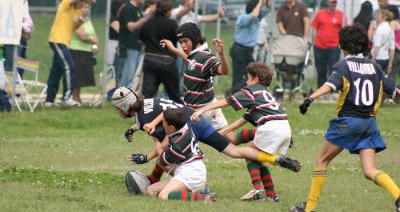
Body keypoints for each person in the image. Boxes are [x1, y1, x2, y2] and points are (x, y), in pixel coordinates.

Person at [288, 24, 400, 212]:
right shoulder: (376, 67)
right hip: (369, 123)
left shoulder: (343, 66)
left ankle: (309, 209)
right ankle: (398, 196)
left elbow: (330, 85)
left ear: (342, 45)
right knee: (369, 170)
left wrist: (309, 98)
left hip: (349, 121)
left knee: (321, 160)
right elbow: (395, 93)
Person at [111, 87, 300, 188]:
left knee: (164, 157)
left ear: (125, 106)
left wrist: (146, 157)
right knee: (233, 151)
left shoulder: (145, 119)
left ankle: (168, 184)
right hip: (197, 118)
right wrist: (134, 128)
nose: (119, 113)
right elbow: (162, 111)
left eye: (119, 109)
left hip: (186, 126)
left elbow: (162, 144)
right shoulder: (147, 104)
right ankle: (275, 159)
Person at [191, 62, 298, 201]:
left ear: (255, 79)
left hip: (270, 128)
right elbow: (245, 119)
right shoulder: (265, 94)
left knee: (246, 154)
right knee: (255, 158)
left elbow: (227, 101)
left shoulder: (252, 91)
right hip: (284, 127)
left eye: (248, 78)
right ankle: (271, 195)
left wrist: (203, 109)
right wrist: (223, 132)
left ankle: (259, 186)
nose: (246, 81)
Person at [160, 22, 229, 130]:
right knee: (230, 140)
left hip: (198, 111)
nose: (183, 45)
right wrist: (173, 49)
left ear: (195, 39)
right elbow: (190, 60)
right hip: (209, 105)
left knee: (171, 135)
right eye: (180, 42)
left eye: (185, 41)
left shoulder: (206, 57)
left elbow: (223, 71)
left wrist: (221, 54)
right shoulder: (195, 55)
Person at [146, 108, 216, 202]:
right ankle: (201, 191)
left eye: (163, 123)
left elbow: (163, 159)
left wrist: (156, 139)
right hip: (189, 170)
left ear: (171, 128)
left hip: (192, 174)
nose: (162, 125)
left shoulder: (178, 145)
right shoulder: (184, 127)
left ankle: (202, 198)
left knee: (163, 196)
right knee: (151, 190)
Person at [44, 0, 96, 107]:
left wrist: (81, 21)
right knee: (69, 67)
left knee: (56, 71)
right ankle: (66, 97)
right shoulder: (66, 3)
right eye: (81, 0)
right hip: (57, 39)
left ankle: (49, 100)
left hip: (64, 41)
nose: (83, 3)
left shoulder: (76, 11)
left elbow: (72, 28)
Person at [138, 0, 182, 103]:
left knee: (147, 96)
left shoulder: (148, 23)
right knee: (174, 95)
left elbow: (140, 40)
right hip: (167, 62)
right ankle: (181, 117)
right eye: (170, 10)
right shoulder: (172, 23)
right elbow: (180, 39)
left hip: (149, 60)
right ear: (167, 11)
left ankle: (142, 117)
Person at [229, 0, 269, 94]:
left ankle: (247, 93)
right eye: (259, 8)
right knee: (239, 75)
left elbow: (268, 8)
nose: (261, 10)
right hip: (239, 49)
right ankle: (234, 94)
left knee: (252, 73)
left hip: (247, 51)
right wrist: (259, 3)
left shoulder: (257, 18)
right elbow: (254, 15)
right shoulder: (244, 18)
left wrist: (265, 0)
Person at [118, 0, 153, 88]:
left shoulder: (137, 9)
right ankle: (122, 96)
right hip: (129, 46)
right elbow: (131, 27)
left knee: (132, 73)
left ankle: (125, 95)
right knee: (128, 73)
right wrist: (144, 18)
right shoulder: (127, 8)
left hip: (136, 46)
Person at [3, 0, 34, 74]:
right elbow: (12, 15)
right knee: (11, 66)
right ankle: (7, 90)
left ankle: (16, 89)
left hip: (21, 37)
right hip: (13, 36)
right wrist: (24, 27)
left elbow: (25, 15)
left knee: (20, 66)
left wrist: (29, 28)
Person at [311, 0, 345, 88]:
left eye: (335, 2)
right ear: (327, 2)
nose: (333, 4)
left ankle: (331, 88)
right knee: (320, 69)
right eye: (331, 2)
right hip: (319, 46)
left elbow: (344, 30)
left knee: (333, 69)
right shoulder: (320, 13)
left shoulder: (340, 15)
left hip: (334, 47)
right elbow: (314, 28)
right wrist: (313, 41)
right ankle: (321, 88)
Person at [69, 1, 98, 104]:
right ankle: (73, 97)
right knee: (77, 75)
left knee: (83, 77)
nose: (87, 9)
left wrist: (96, 43)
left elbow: (93, 33)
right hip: (76, 50)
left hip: (87, 51)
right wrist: (94, 41)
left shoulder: (88, 20)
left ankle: (78, 96)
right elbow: (82, 35)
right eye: (84, 7)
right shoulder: (76, 19)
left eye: (88, 7)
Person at [371, 9, 395, 74]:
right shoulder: (390, 30)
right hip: (386, 59)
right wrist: (390, 64)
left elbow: (377, 46)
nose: (377, 17)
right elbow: (392, 49)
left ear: (383, 17)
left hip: (378, 58)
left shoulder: (380, 29)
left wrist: (373, 59)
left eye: (378, 15)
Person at [388, 5, 400, 84]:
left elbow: (391, 38)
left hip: (395, 51)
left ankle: (390, 94)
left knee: (390, 73)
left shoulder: (392, 23)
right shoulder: (398, 22)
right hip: (398, 51)